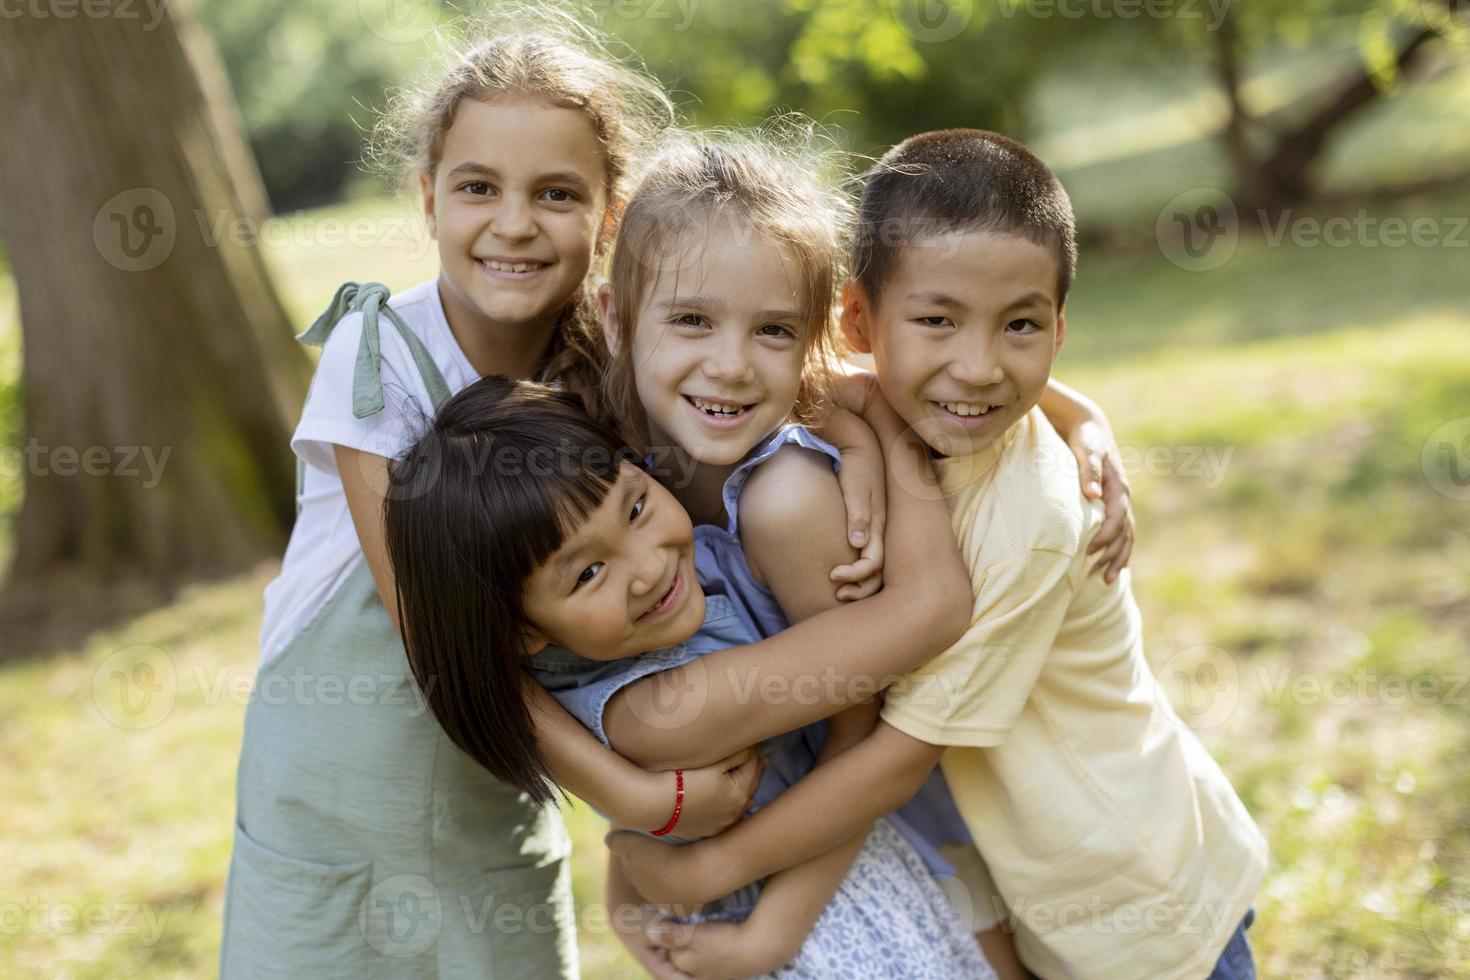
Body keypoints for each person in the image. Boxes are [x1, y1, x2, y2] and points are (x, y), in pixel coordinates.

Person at [607, 129, 1269, 980]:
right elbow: (864, 368)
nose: (979, 366)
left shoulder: (1033, 519)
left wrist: (709, 873)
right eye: (937, 321)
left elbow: (895, 756)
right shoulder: (839, 379)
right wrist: (1081, 413)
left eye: (1020, 326)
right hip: (1016, 888)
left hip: (1136, 910)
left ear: (1058, 330)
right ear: (857, 322)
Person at [218, 15, 764, 976]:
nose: (514, 223)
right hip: (342, 779)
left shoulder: (611, 355)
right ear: (428, 199)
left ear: (611, 214)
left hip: (495, 783)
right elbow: (442, 638)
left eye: (556, 193)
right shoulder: (380, 352)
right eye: (478, 188)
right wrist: (636, 800)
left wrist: (1072, 416)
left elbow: (806, 363)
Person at [386, 374, 993, 977]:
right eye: (588, 574)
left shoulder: (686, 574)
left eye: (636, 506)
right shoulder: (662, 712)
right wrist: (889, 430)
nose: (647, 567)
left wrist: (850, 424)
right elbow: (930, 609)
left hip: (864, 882)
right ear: (523, 632)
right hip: (819, 937)